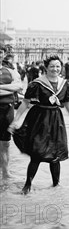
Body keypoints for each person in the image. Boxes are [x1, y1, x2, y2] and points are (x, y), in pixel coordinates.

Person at [9, 55, 69, 194]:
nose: (55, 69)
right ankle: (27, 185)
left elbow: (67, 102)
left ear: (61, 67)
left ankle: (56, 186)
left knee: (56, 155)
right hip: (39, 119)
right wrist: (16, 120)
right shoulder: (37, 83)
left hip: (56, 120)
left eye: (58, 66)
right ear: (46, 67)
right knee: (37, 153)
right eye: (52, 66)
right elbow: (26, 102)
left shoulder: (64, 83)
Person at [0, 46, 23, 179]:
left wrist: (2, 87)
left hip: (6, 109)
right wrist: (10, 89)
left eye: (0, 53)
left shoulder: (10, 71)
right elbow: (14, 88)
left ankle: (5, 173)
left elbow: (19, 87)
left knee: (5, 143)